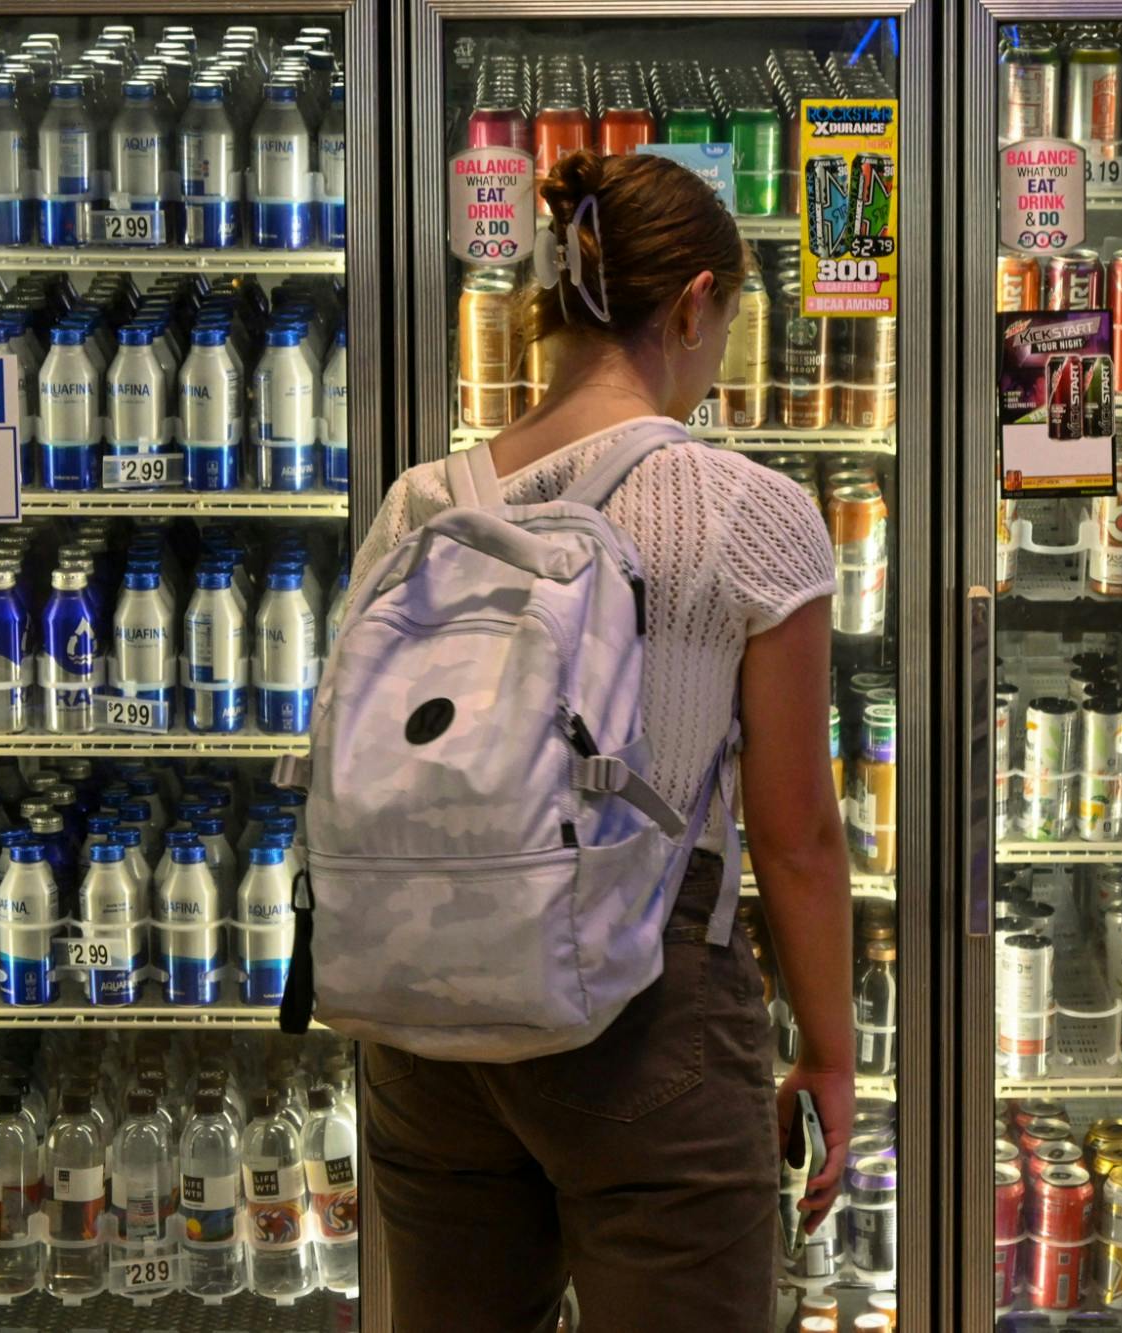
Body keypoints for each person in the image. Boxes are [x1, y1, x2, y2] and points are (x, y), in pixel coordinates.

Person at [348, 150, 854, 1330]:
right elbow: (794, 833)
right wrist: (827, 1052)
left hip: (425, 1017)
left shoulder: (419, 501)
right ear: (691, 306)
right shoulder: (749, 510)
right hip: (644, 1012)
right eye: (723, 323)